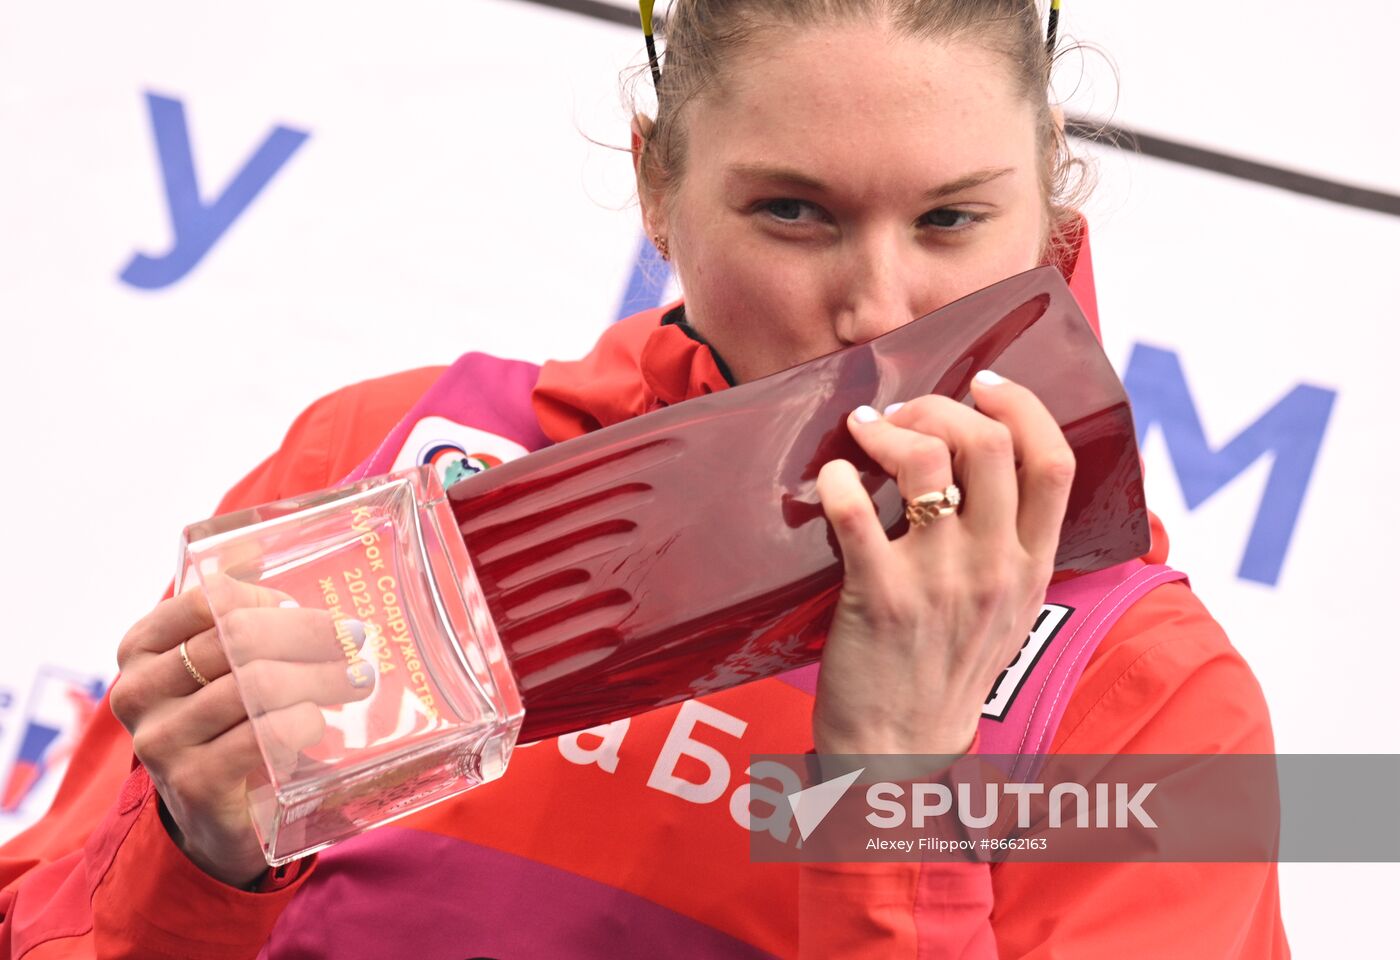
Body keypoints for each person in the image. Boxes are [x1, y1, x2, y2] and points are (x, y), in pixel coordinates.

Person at [0, 1, 1287, 957]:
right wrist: (200, 862)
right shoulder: (388, 455)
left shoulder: (1156, 704)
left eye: (950, 219)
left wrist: (890, 790)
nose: (874, 306)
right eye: (793, 213)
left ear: (1050, 212)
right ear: (654, 185)